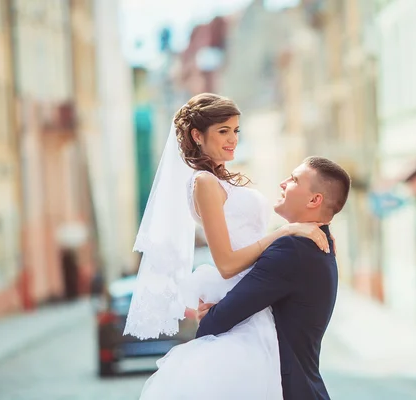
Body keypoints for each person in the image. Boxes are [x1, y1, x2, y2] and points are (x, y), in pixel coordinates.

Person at [124, 93, 334, 399]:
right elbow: (226, 263)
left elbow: (250, 240)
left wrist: (301, 232)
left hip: (259, 301)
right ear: (197, 135)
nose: (232, 139)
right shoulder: (204, 183)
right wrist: (286, 232)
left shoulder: (224, 181)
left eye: (236, 130)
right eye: (223, 131)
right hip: (244, 309)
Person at [197, 156, 350, 399]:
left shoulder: (293, 249)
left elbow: (213, 324)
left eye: (294, 180)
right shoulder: (319, 244)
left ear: (314, 199)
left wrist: (210, 312)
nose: (283, 182)